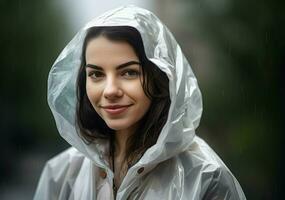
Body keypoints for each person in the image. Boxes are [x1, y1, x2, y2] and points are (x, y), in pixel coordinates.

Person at [34, 5, 246, 200]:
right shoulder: (63, 173)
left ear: (160, 77)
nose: (110, 91)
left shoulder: (205, 176)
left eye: (128, 72)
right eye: (96, 74)